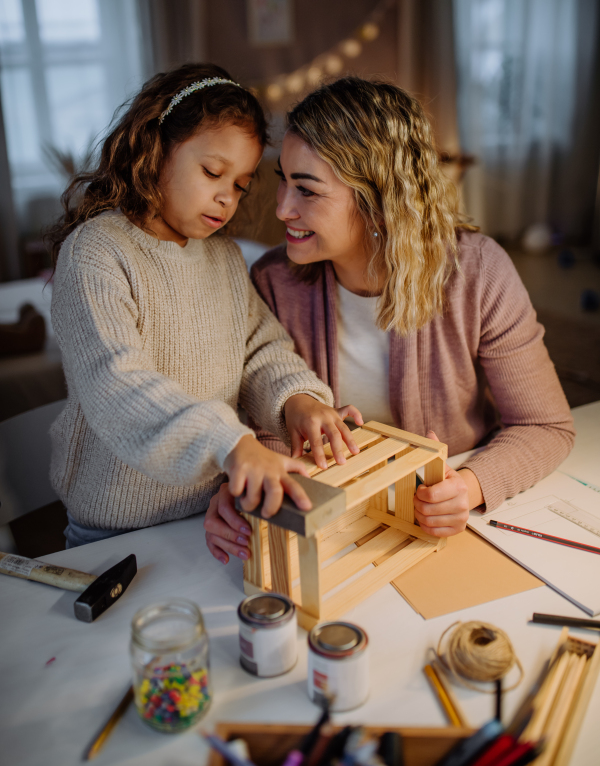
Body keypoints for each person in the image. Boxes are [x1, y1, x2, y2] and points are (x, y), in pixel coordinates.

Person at [204, 77, 575, 565]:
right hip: (333, 530)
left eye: (307, 190)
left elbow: (545, 424)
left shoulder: (479, 271)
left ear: (378, 199)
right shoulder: (274, 280)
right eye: (283, 179)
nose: (282, 209)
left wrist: (470, 487)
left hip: (440, 532)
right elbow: (269, 427)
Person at [47, 63, 363, 549]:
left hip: (212, 515)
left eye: (240, 185)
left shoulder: (225, 257)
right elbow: (117, 383)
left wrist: (297, 399)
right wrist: (231, 444)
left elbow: (260, 350)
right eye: (213, 172)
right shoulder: (95, 253)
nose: (225, 197)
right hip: (112, 531)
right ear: (155, 149)